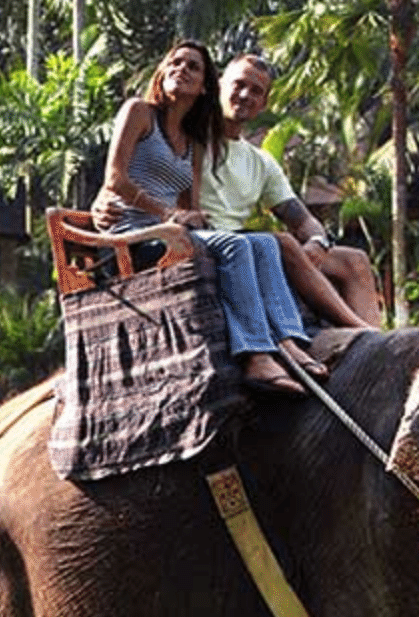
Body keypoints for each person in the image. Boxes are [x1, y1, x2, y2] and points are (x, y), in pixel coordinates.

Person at [91, 40, 326, 396]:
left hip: (170, 234)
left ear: (203, 87)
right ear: (162, 71)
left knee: (262, 242)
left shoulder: (192, 141)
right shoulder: (139, 112)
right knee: (233, 245)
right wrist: (167, 213)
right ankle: (256, 355)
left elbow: (190, 203)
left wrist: (191, 217)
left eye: (193, 66)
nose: (181, 69)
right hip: (133, 236)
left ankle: (289, 340)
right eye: (176, 62)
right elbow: (115, 180)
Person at [198, 54, 382, 329]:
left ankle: (378, 346)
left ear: (264, 104)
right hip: (209, 243)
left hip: (251, 248)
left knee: (354, 261)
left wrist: (317, 243)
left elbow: (302, 219)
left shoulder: (261, 162)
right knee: (281, 243)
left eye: (256, 91)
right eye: (238, 85)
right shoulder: (189, 139)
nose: (246, 95)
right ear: (219, 84)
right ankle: (359, 330)